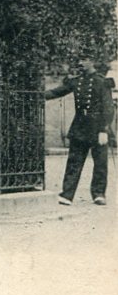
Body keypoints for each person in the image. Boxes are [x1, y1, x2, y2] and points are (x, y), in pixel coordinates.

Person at [45, 55, 115, 205]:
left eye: (84, 60)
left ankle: (99, 194)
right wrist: (37, 96)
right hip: (80, 126)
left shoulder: (102, 82)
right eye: (79, 61)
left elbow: (108, 107)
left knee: (100, 163)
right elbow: (58, 91)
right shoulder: (76, 81)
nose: (80, 64)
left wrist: (104, 129)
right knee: (74, 161)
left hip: (98, 128)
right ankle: (67, 195)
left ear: (92, 62)